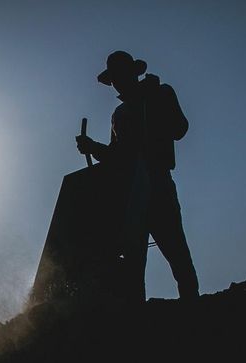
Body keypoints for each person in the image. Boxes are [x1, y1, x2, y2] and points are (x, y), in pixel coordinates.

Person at [76, 51, 199, 302]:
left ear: (133, 73)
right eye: (113, 79)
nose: (116, 83)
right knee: (133, 258)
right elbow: (116, 157)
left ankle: (192, 304)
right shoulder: (118, 115)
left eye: (119, 76)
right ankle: (136, 315)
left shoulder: (161, 93)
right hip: (130, 191)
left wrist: (156, 104)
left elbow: (180, 129)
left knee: (176, 250)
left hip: (158, 181)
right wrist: (92, 147)